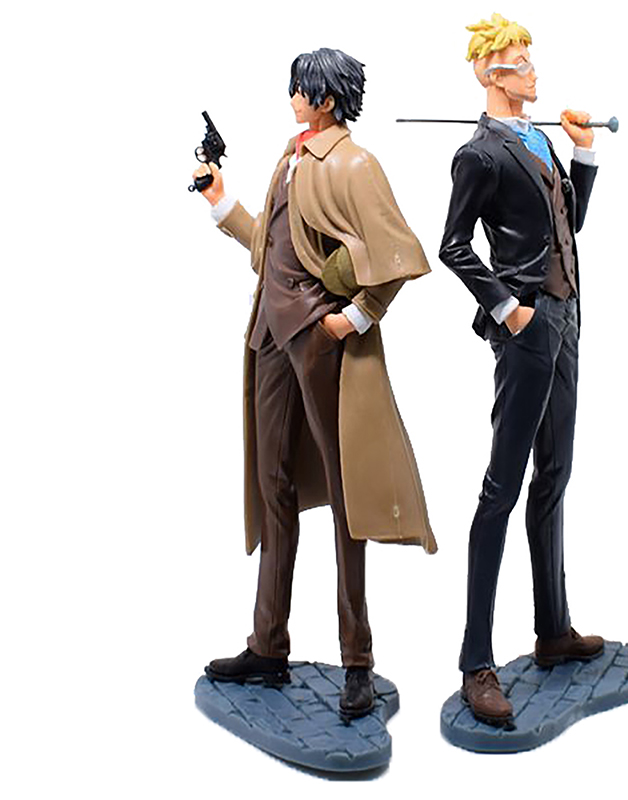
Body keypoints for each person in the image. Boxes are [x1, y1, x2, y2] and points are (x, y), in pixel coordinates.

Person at [192, 47, 436, 720]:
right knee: (273, 484)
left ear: (325, 98)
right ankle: (267, 644)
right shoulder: (290, 156)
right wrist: (220, 202)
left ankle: (358, 661)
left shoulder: (354, 164)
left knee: (347, 493)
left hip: (318, 340)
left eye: (300, 89)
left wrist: (351, 319)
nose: (292, 97)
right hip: (270, 337)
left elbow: (397, 254)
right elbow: (271, 251)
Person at [439, 14, 604, 726]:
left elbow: (569, 226)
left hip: (566, 320)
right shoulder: (479, 155)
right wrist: (509, 310)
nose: (533, 71)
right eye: (519, 61)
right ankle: (476, 660)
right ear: (490, 74)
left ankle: (552, 628)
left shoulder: (539, 141)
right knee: (501, 488)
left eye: (531, 59)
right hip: (527, 329)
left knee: (556, 471)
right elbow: (452, 245)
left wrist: (584, 154)